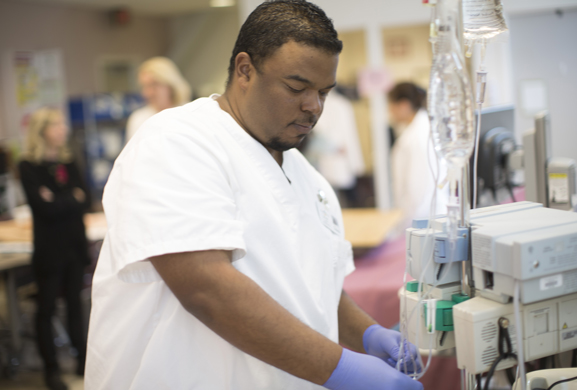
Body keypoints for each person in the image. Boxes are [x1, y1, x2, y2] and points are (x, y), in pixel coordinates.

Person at [85, 1, 423, 389]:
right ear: (245, 69)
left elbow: (317, 286)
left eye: (323, 92)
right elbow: (205, 288)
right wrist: (340, 368)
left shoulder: (307, 178)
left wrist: (366, 334)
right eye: (297, 87)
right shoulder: (177, 142)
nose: (313, 106)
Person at [19, 107, 90, 390]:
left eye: (62, 124)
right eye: (56, 124)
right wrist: (69, 198)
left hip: (74, 245)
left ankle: (83, 360)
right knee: (46, 308)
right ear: (42, 131)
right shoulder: (28, 166)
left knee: (76, 305)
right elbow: (43, 209)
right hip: (50, 250)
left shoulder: (69, 162)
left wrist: (60, 199)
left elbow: (86, 199)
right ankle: (51, 369)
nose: (63, 129)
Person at [389, 82, 448, 229]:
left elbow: (415, 187)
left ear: (403, 105)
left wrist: (405, 222)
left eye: (391, 106)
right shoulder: (426, 128)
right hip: (435, 212)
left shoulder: (414, 138)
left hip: (422, 217)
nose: (389, 111)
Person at [125, 56, 192, 141]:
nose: (147, 93)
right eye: (144, 86)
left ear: (170, 85)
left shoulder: (189, 115)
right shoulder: (138, 119)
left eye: (154, 85)